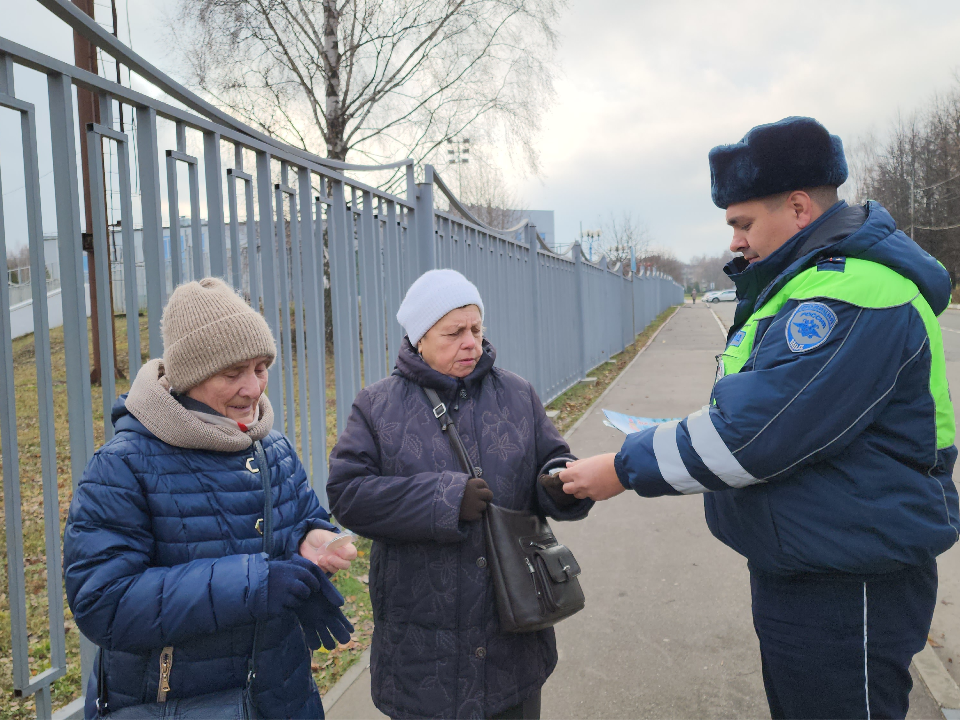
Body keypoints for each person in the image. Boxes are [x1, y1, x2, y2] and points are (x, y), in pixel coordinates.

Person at [559, 117, 960, 720]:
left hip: (847, 585)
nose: (735, 242)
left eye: (743, 224)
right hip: (814, 562)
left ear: (798, 208)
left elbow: (751, 436)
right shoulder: (805, 286)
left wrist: (620, 468)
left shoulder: (848, 296)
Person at [64, 277, 357, 720]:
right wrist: (253, 584)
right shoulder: (122, 465)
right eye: (232, 373)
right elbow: (103, 601)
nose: (255, 388)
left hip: (281, 690)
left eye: (260, 368)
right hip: (177, 702)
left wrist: (311, 537)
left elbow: (302, 514)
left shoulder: (269, 446)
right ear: (190, 378)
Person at [327, 268, 593, 720]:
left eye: (475, 328)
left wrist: (559, 484)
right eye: (454, 333)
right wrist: (444, 499)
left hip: (513, 641)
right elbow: (349, 494)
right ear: (419, 339)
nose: (470, 342)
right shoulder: (376, 406)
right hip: (421, 655)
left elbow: (552, 460)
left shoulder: (517, 394)